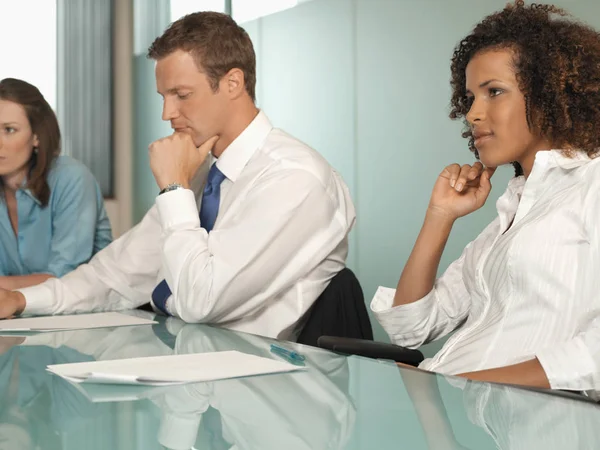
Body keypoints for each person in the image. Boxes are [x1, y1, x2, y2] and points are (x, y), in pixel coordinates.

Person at [0, 12, 355, 340]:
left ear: (233, 83)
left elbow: (202, 301)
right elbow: (114, 276)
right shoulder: (201, 172)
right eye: (164, 96)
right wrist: (21, 300)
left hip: (247, 382)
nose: (168, 113)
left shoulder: (294, 179)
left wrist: (174, 189)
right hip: (181, 353)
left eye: (181, 95)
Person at [371, 0, 600, 393]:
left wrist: (463, 383)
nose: (474, 113)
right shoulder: (511, 215)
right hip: (458, 408)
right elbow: (412, 330)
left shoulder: (592, 185)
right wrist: (439, 216)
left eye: (494, 91)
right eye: (471, 98)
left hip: (520, 421)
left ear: (549, 93)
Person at [0, 78, 112, 291]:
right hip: (21, 315)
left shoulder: (71, 178)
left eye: (9, 130)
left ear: (36, 136)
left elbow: (65, 277)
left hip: (92, 316)